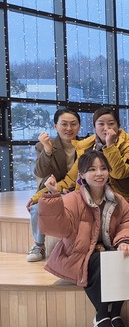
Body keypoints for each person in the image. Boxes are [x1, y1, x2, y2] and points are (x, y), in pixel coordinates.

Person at [38, 150, 129, 327]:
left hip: (109, 250)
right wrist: (53, 196)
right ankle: (102, 315)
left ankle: (115, 313)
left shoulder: (118, 200)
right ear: (82, 175)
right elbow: (57, 229)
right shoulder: (72, 199)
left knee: (125, 257)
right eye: (92, 169)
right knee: (100, 262)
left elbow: (127, 224)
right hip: (78, 253)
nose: (99, 173)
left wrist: (124, 240)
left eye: (103, 168)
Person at [30, 108, 129, 203]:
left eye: (111, 123)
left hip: (117, 199)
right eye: (101, 124)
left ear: (118, 125)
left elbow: (119, 173)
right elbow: (70, 179)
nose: (106, 128)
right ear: (95, 127)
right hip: (87, 198)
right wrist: (36, 197)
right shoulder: (88, 146)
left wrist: (110, 145)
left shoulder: (128, 144)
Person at [26, 108, 81, 262]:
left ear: (79, 126)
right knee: (37, 208)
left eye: (73, 124)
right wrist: (48, 150)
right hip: (52, 189)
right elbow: (40, 171)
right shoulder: (43, 145)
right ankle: (39, 245)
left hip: (78, 189)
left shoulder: (86, 145)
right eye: (64, 124)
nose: (69, 128)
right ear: (55, 126)